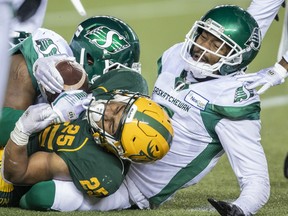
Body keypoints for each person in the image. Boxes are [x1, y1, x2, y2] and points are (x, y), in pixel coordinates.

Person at [15, 5, 270, 215]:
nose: (202, 47)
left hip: (131, 186)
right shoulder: (176, 57)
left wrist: (242, 208)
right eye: (203, 35)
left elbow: (256, 178)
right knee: (41, 101)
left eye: (217, 45)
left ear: (237, 57)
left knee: (42, 195)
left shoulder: (232, 102)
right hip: (109, 137)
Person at [0, 15, 142, 206]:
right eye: (115, 69)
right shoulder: (53, 56)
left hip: (40, 150)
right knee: (23, 68)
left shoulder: (120, 94)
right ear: (89, 60)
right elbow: (3, 124)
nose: (118, 79)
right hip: (9, 106)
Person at [2, 67, 174, 208]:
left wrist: (22, 131)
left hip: (17, 156)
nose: (106, 112)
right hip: (32, 118)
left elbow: (18, 174)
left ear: (118, 148)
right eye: (118, 109)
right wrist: (76, 92)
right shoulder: (128, 83)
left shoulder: (99, 167)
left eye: (111, 124)